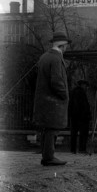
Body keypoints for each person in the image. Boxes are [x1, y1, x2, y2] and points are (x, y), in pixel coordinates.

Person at [33, 31, 71, 166]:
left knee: (47, 129)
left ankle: (47, 155)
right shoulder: (56, 58)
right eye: (66, 45)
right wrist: (65, 95)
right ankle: (49, 157)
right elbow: (57, 81)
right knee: (52, 129)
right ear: (63, 46)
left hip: (44, 100)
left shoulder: (44, 56)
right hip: (54, 101)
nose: (66, 48)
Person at [68, 79, 91, 154]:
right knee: (83, 134)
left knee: (73, 133)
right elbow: (84, 106)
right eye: (86, 86)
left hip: (74, 116)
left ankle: (73, 149)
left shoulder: (73, 92)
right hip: (82, 117)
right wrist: (87, 115)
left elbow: (70, 105)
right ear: (82, 85)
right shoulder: (81, 93)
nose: (87, 88)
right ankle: (82, 149)